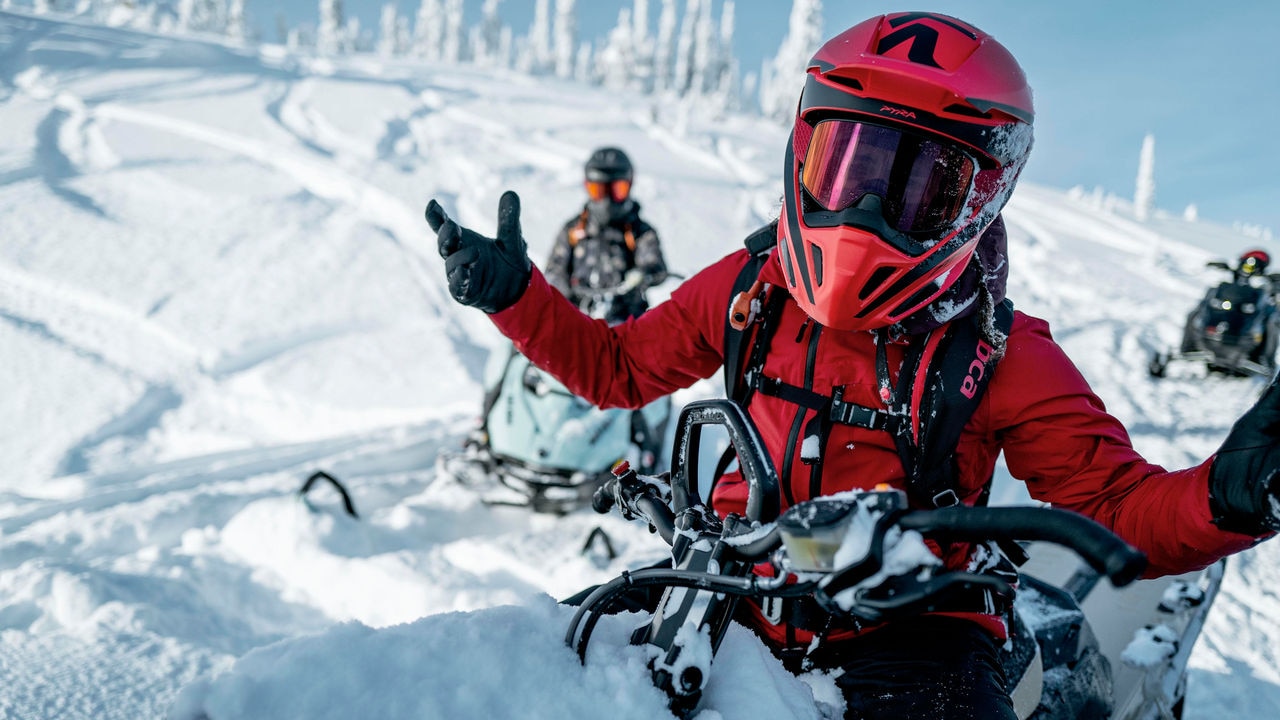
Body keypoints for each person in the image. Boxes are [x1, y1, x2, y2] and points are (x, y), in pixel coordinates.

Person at [426, 12, 1280, 719]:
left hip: (915, 636)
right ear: (805, 155)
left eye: (918, 184)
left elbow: (1117, 509)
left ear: (979, 196)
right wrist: (520, 298)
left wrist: (1227, 497)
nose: (867, 207)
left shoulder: (1001, 350)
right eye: (849, 167)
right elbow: (617, 370)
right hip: (724, 587)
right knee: (524, 675)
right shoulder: (752, 288)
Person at [544, 147, 668, 322]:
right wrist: (565, 296)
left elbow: (656, 266)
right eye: (599, 190)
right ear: (587, 187)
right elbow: (553, 271)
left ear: (630, 185)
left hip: (628, 323)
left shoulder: (639, 231)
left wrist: (643, 274)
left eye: (617, 190)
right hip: (578, 320)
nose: (607, 201)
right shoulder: (573, 230)